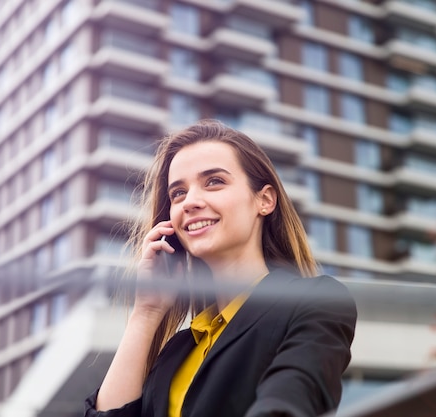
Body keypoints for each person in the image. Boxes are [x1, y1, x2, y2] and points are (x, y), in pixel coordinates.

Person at [84, 120, 357, 417]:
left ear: (264, 200)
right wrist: (145, 315)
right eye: (178, 193)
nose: (190, 202)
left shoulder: (314, 301)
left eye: (214, 181)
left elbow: (289, 403)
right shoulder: (178, 350)